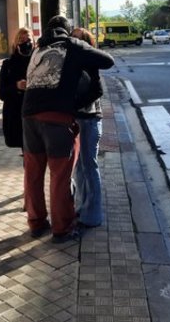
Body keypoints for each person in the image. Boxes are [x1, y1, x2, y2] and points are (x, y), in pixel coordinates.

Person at [22, 16, 114, 242]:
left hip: (28, 117)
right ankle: (61, 229)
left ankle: (36, 223)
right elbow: (107, 60)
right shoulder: (72, 45)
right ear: (67, 30)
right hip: (56, 118)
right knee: (60, 175)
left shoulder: (38, 49)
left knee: (33, 175)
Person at [70, 27, 105, 228]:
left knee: (89, 167)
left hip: (90, 119)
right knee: (80, 168)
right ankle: (83, 207)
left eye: (78, 39)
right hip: (77, 119)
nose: (74, 41)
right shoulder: (72, 62)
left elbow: (97, 90)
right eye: (72, 38)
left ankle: (93, 214)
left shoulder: (90, 62)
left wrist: (75, 104)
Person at [0, 28, 34, 149]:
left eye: (28, 39)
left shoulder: (39, 62)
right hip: (16, 114)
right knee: (26, 150)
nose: (26, 43)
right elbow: (1, 93)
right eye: (21, 40)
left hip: (35, 113)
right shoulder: (8, 64)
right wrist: (16, 86)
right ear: (16, 43)